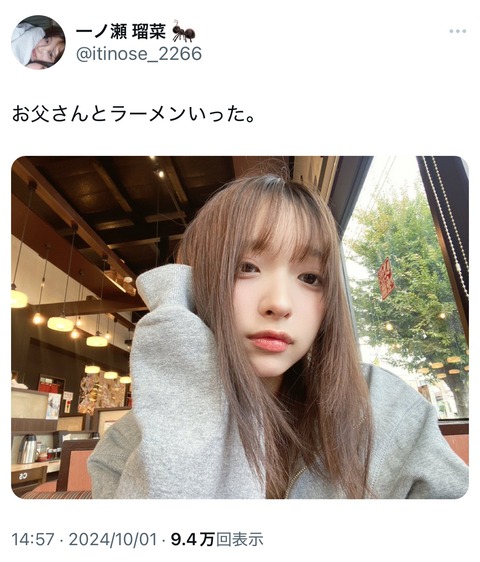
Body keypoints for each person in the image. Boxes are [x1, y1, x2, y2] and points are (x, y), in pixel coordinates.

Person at [88, 171, 469, 499]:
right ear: (194, 282)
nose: (279, 304)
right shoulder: (125, 446)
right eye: (246, 267)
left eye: (310, 277)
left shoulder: (386, 408)